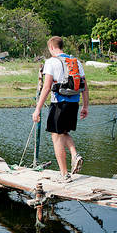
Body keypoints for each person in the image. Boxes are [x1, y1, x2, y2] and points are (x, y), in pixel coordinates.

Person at [32, 36, 89, 182]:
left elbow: (46, 87)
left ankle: (64, 174)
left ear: (51, 47)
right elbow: (84, 86)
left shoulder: (51, 62)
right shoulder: (75, 61)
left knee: (56, 137)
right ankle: (75, 154)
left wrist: (37, 109)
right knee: (64, 132)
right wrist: (85, 106)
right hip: (74, 103)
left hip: (58, 103)